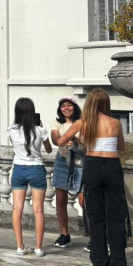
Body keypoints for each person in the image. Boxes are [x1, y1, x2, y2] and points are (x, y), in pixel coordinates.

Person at [58, 88, 127, 266]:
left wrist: (79, 140)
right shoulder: (116, 122)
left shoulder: (83, 123)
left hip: (93, 165)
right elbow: (121, 147)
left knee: (95, 215)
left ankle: (100, 260)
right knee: (116, 215)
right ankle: (119, 262)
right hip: (113, 165)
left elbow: (61, 141)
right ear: (106, 104)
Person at [7, 97, 52, 257]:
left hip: (19, 168)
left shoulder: (11, 130)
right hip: (36, 169)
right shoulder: (40, 130)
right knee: (38, 210)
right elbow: (48, 149)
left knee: (17, 208)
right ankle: (39, 247)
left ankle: (20, 246)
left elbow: (14, 144)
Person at [51, 96, 85, 249]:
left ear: (75, 107)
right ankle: (64, 233)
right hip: (63, 161)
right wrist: (64, 139)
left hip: (80, 162)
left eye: (69, 105)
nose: (66, 108)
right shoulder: (57, 123)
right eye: (63, 106)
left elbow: (86, 142)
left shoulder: (82, 122)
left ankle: (92, 234)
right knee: (60, 198)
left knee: (84, 200)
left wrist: (75, 140)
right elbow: (55, 139)